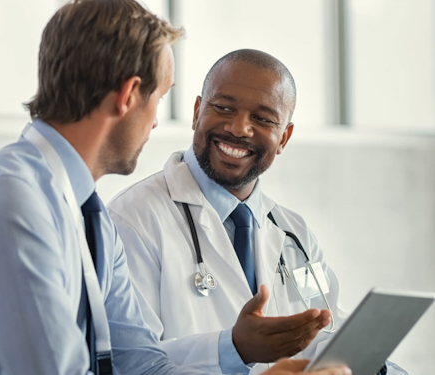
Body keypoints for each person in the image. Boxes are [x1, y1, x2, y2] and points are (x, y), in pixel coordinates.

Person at [0, 1, 352, 374]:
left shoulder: (87, 216)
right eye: (160, 98)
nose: (155, 122)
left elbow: (141, 364)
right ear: (129, 95)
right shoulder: (11, 203)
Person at [108, 49, 406, 375]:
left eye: (262, 118)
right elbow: (130, 363)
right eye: (223, 107)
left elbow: (326, 328)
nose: (239, 128)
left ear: (284, 138)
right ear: (196, 112)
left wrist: (377, 368)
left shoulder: (294, 235)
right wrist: (233, 348)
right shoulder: (133, 220)